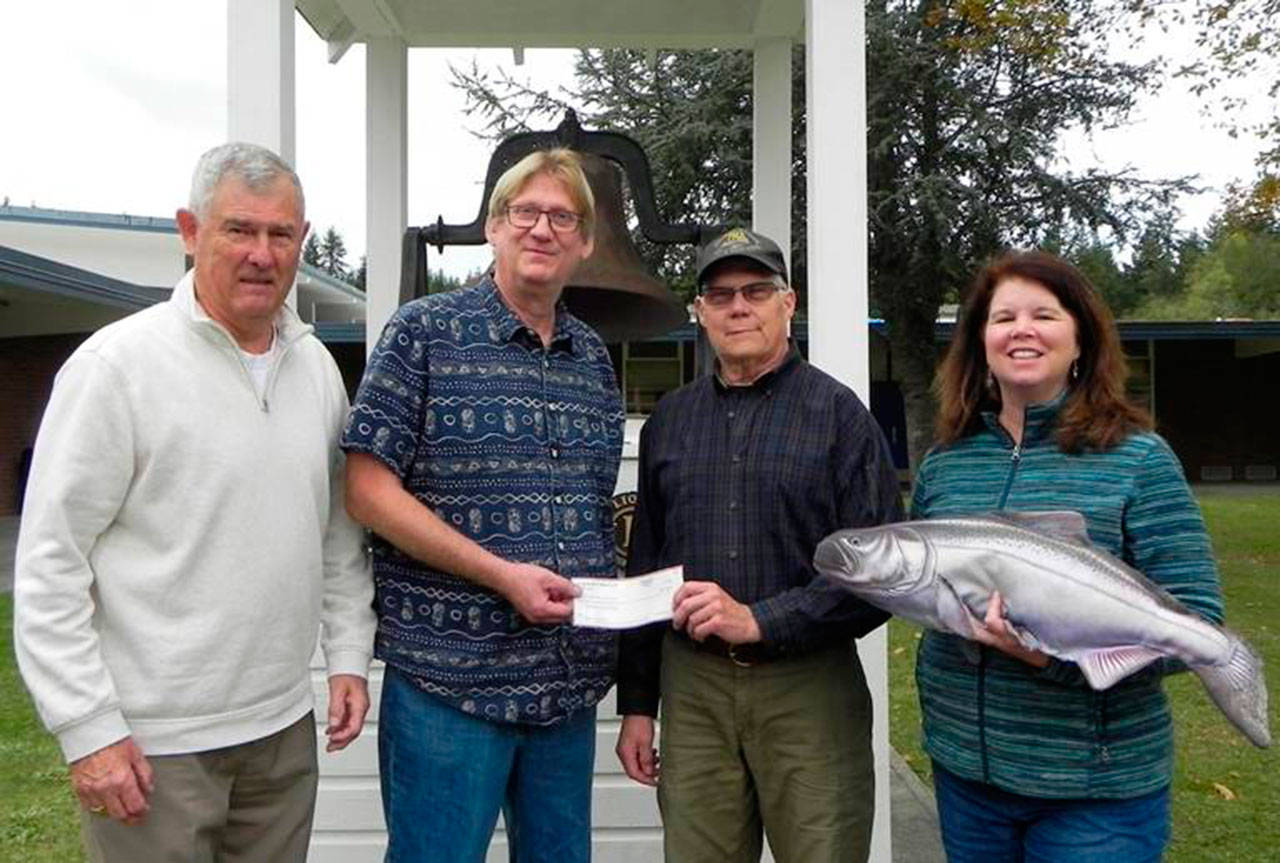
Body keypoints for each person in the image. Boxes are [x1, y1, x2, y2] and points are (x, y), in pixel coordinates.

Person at [13, 141, 376, 861]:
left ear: (302, 240)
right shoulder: (116, 369)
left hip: (279, 733)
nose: (261, 254)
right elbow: (50, 565)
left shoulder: (314, 368)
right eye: (239, 229)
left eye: (281, 234)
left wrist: (347, 656)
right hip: (153, 746)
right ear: (190, 230)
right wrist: (88, 728)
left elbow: (337, 534)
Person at [341, 147, 624, 862]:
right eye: (524, 212)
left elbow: (591, 509)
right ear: (494, 227)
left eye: (563, 217)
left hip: (563, 687)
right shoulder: (422, 333)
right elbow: (367, 489)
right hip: (449, 682)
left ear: (586, 243)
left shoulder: (593, 358)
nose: (542, 229)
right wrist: (502, 575)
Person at [911, 250, 1224, 862]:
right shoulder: (946, 464)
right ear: (980, 343)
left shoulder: (1138, 458)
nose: (1021, 330)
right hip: (967, 780)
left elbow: (1198, 620)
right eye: (1003, 318)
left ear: (1081, 339)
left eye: (1044, 315)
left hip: (1095, 795)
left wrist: (1047, 657)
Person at [614, 227, 903, 862]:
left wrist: (761, 620)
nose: (738, 307)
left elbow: (881, 573)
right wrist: (637, 703)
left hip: (808, 690)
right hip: (694, 692)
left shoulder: (840, 418)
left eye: (756, 291)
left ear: (787, 303)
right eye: (720, 296)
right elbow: (646, 569)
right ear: (700, 311)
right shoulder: (671, 422)